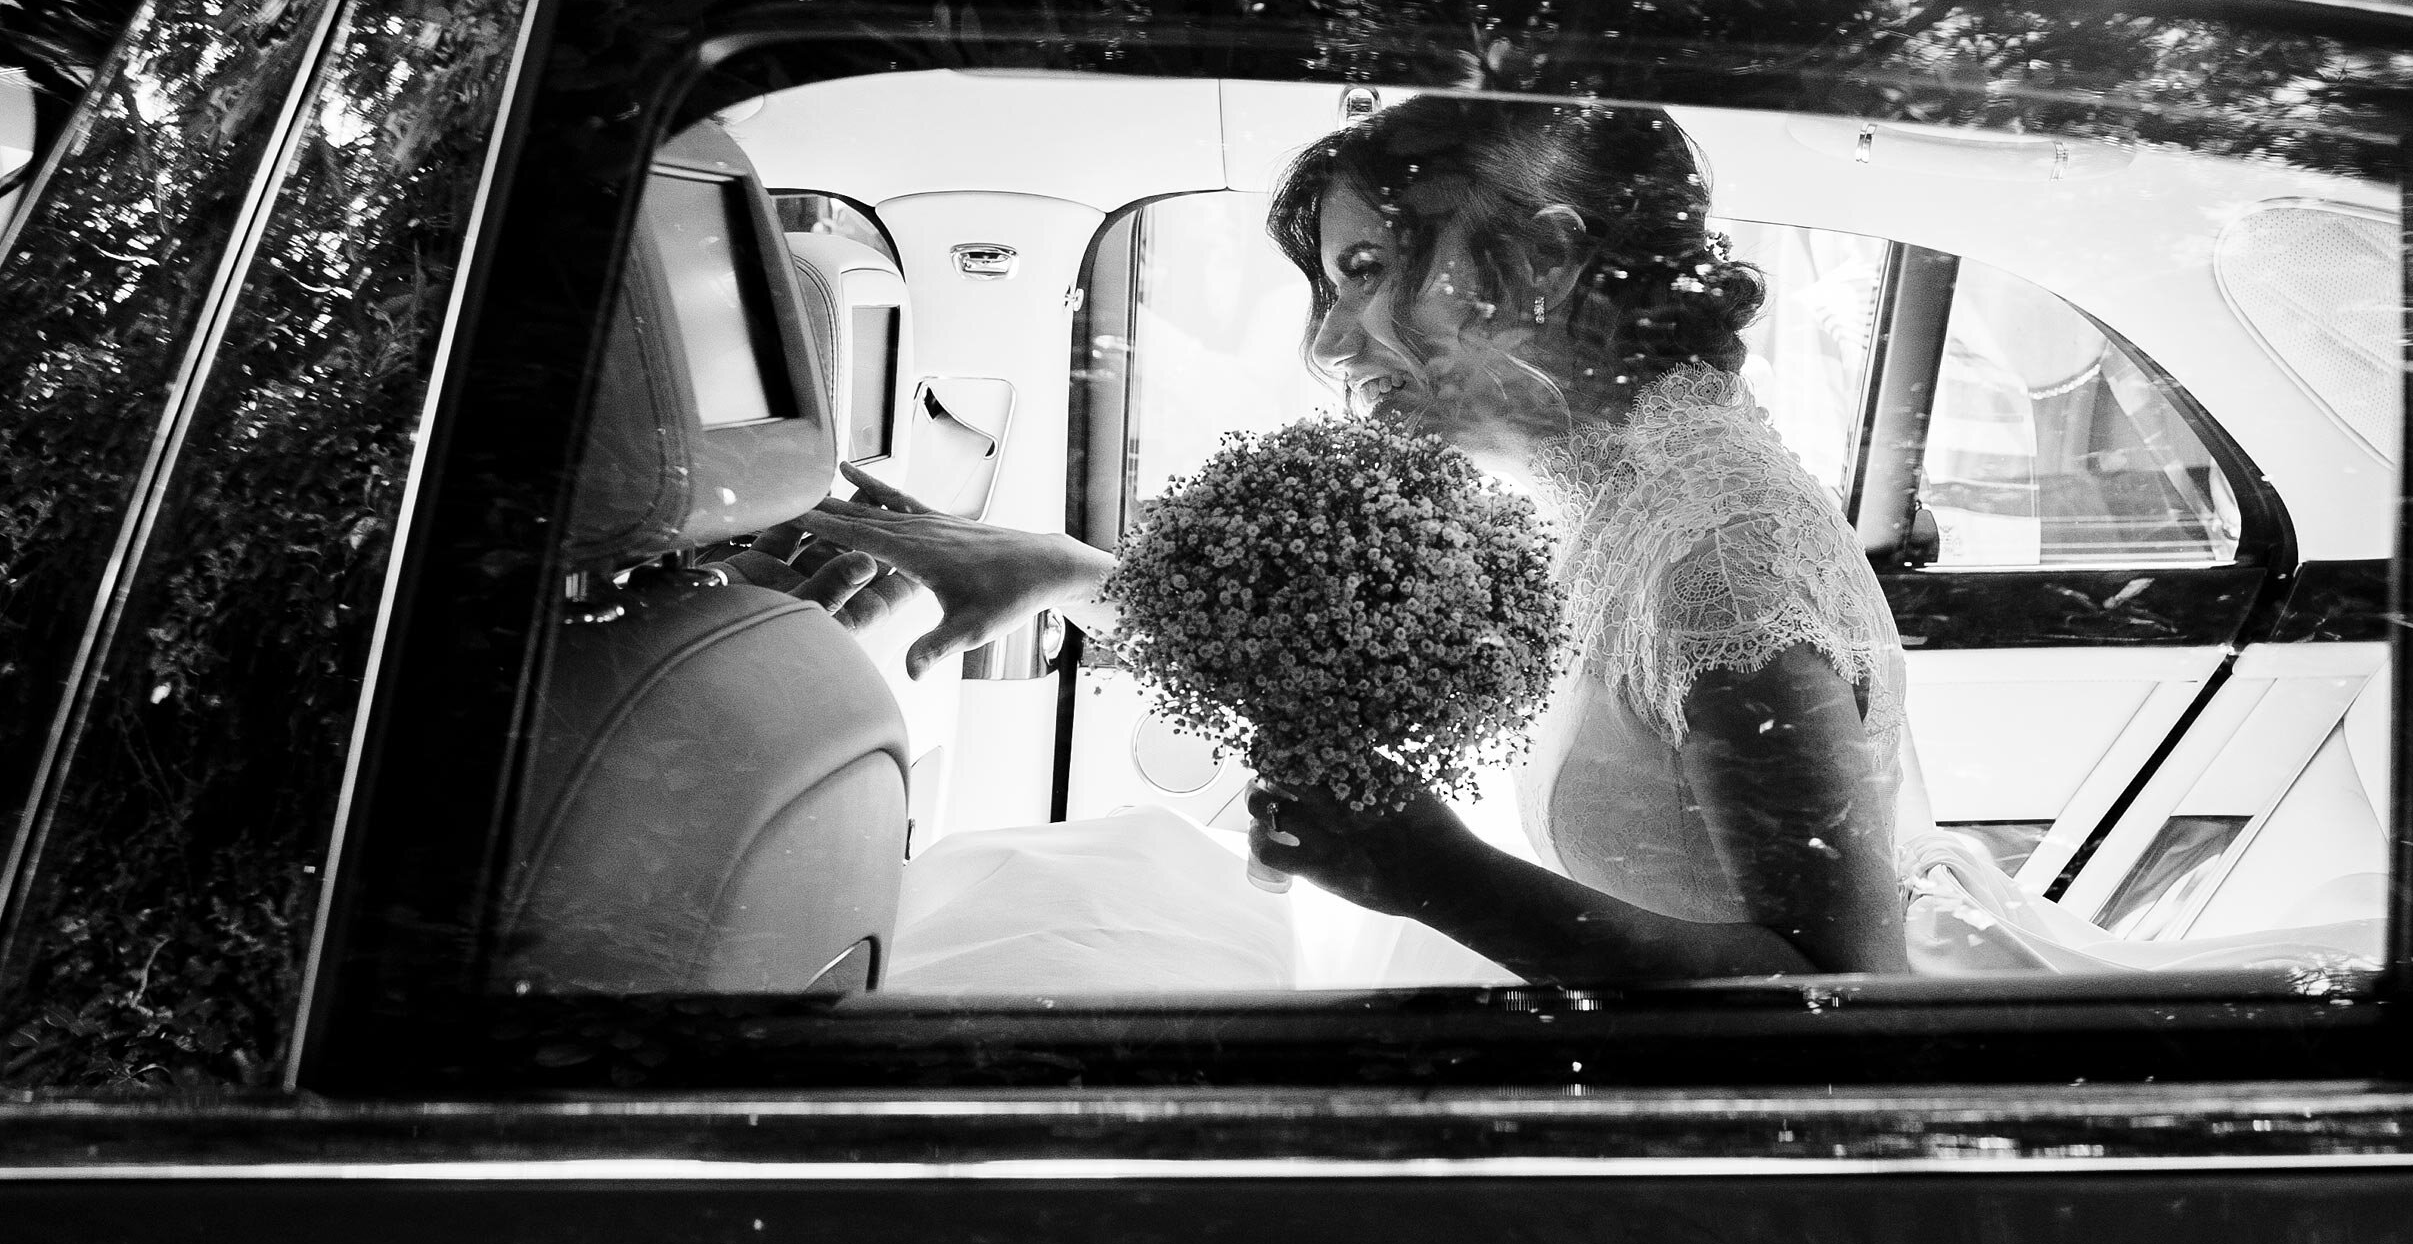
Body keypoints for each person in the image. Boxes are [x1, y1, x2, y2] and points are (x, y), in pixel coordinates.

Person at [769, 93, 1910, 982]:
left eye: (1365, 272)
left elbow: (1848, 1001)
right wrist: (1066, 573)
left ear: (1546, 261)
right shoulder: (1615, 488)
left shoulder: (1719, 560)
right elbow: (1366, 656)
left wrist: (1431, 875)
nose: (1328, 342)